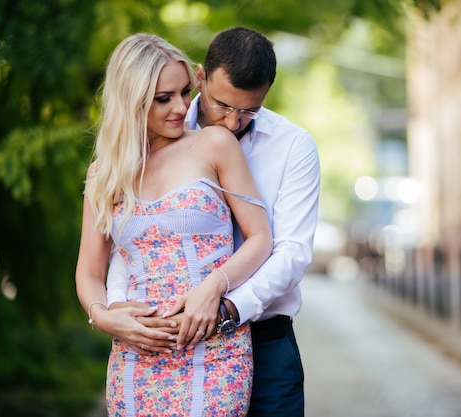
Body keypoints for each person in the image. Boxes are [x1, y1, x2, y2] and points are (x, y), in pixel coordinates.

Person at [102, 27, 320, 416]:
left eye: (249, 110)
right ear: (200, 76)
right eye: (222, 105)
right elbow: (134, 237)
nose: (234, 122)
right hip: (167, 339)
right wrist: (115, 307)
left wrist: (224, 305)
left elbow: (292, 252)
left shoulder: (293, 145)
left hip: (263, 335)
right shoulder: (158, 131)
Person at [74, 33, 273, 416]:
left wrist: (214, 287)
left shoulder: (214, 144)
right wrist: (105, 317)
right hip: (135, 355)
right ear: (132, 101)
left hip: (213, 352)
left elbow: (260, 236)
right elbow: (88, 271)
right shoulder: (104, 174)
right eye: (164, 98)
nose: (182, 107)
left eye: (185, 92)